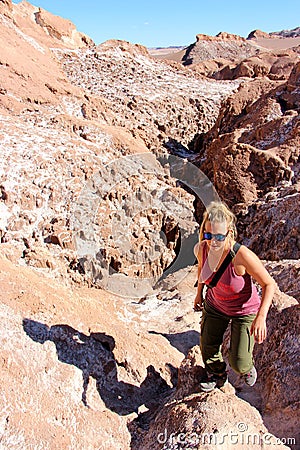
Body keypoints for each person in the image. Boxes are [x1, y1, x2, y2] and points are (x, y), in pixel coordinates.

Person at [193, 201, 275, 392]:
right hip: (215, 304)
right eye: (208, 235)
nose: (213, 241)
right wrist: (198, 294)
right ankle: (217, 375)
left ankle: (246, 368)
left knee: (239, 362)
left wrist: (261, 317)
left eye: (219, 237)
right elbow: (201, 271)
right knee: (207, 345)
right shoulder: (201, 249)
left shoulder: (241, 255)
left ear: (229, 232)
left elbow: (269, 284)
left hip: (243, 310)